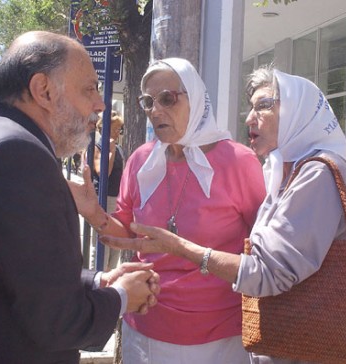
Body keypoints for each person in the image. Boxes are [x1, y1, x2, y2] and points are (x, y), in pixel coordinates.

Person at [92, 67, 346, 363]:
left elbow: (269, 271)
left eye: (264, 106)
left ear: (297, 112)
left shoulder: (315, 174)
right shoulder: (283, 171)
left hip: (297, 341)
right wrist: (92, 211)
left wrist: (180, 248)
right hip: (159, 327)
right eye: (148, 102)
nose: (250, 118)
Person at [0, 31, 160, 364]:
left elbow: (13, 274)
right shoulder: (16, 154)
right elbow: (57, 320)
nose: (100, 104)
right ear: (43, 91)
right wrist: (121, 297)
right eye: (89, 88)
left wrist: (100, 280)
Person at [69, 58, 265, 363]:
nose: (155, 110)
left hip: (220, 334)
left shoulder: (239, 162)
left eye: (167, 98)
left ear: (196, 98)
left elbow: (262, 250)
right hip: (146, 323)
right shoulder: (140, 160)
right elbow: (128, 233)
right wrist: (94, 213)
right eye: (148, 101)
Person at [90, 111, 125, 271]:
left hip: (116, 200)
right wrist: (110, 151)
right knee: (102, 244)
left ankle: (111, 277)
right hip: (103, 199)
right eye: (114, 129)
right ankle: (98, 278)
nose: (118, 132)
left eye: (119, 129)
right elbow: (104, 172)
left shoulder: (119, 149)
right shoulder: (98, 147)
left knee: (116, 244)